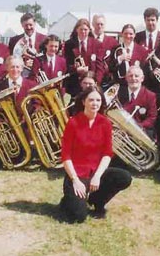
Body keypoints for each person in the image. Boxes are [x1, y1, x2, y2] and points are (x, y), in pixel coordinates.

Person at [60, 87, 132, 223]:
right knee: (78, 217)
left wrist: (98, 176)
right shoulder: (73, 123)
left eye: (98, 100)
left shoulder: (105, 123)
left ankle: (97, 201)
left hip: (95, 172)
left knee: (124, 177)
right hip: (77, 174)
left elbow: (107, 154)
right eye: (91, 100)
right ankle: (66, 201)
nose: (95, 103)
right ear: (83, 102)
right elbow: (65, 156)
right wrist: (75, 180)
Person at [63, 18, 104, 96]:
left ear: (89, 30)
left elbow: (100, 67)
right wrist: (76, 69)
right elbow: (66, 65)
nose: (83, 32)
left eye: (85, 29)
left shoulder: (97, 44)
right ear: (76, 30)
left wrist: (96, 83)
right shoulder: (69, 44)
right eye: (81, 29)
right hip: (74, 85)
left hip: (91, 85)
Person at [117, 66, 157, 139]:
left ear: (142, 79)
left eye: (136, 76)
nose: (133, 78)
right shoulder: (118, 93)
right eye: (130, 76)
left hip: (141, 132)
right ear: (126, 78)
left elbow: (152, 117)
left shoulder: (150, 96)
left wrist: (138, 127)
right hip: (121, 130)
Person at [92, 14, 119, 88]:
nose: (99, 26)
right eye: (97, 24)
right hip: (91, 80)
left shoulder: (113, 42)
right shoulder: (88, 40)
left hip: (107, 81)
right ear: (93, 24)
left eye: (101, 24)